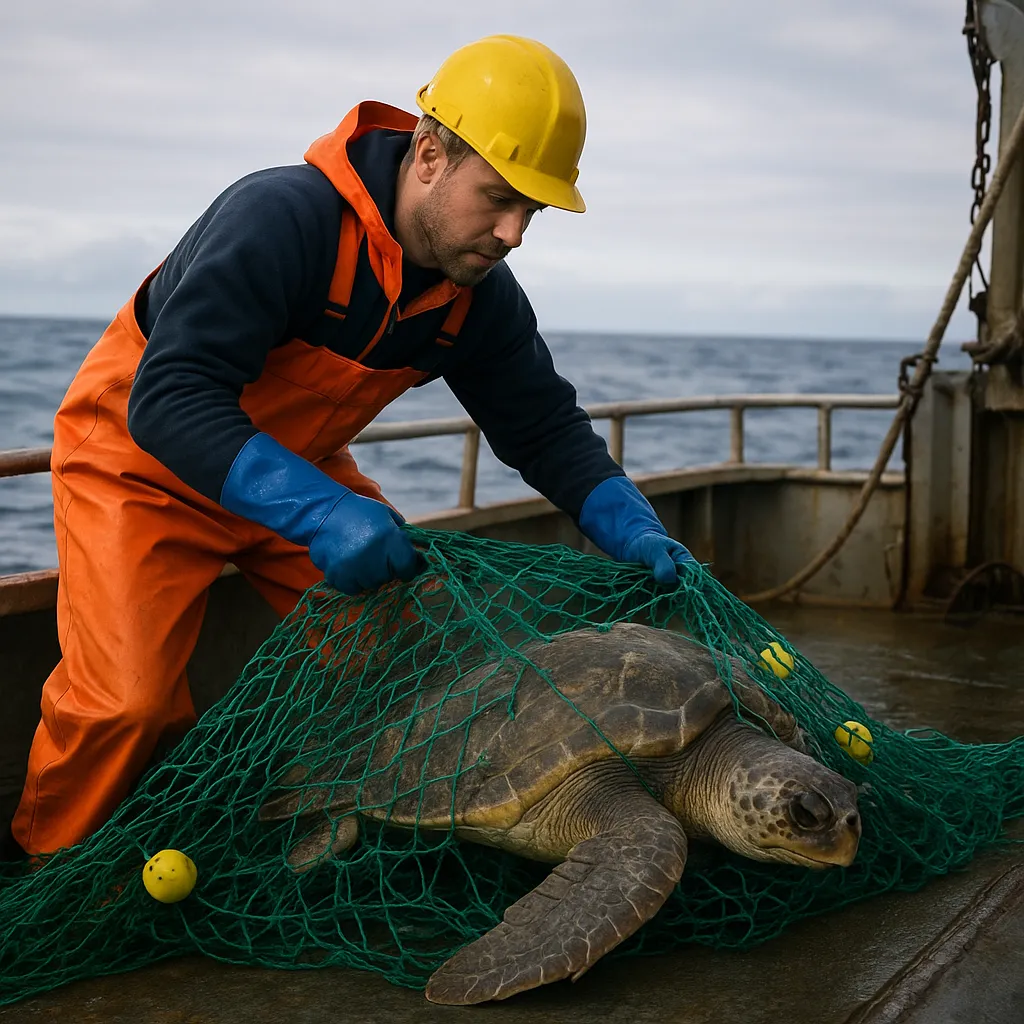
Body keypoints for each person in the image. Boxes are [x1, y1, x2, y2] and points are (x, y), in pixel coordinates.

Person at [9, 34, 694, 858]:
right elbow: (172, 398)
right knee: (129, 703)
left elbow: (544, 428)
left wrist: (627, 519)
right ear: (430, 155)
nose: (513, 233)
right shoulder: (282, 218)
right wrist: (322, 512)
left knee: (420, 654)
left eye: (533, 212)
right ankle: (53, 869)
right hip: (140, 464)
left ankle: (339, 829)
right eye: (499, 198)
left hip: (295, 474)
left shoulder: (478, 295)